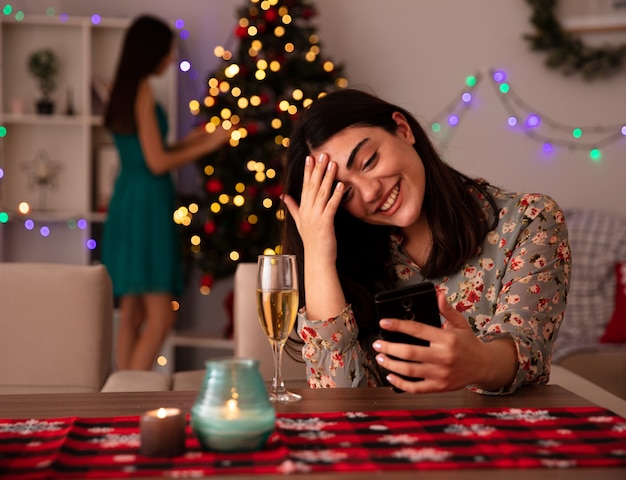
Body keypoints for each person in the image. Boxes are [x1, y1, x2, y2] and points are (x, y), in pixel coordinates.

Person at [281, 88, 570, 395]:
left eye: (368, 161)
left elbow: (527, 347)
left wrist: (479, 362)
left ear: (403, 129)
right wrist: (317, 256)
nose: (369, 192)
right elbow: (338, 399)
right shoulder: (349, 258)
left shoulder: (529, 220)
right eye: (345, 192)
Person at [102, 15, 230, 371]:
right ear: (151, 52)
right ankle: (132, 397)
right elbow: (157, 163)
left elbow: (147, 153)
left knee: (131, 313)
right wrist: (211, 144)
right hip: (147, 205)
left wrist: (185, 142)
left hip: (127, 199)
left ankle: (118, 400)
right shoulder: (143, 90)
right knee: (160, 318)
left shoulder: (123, 89)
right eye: (167, 51)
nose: (170, 58)